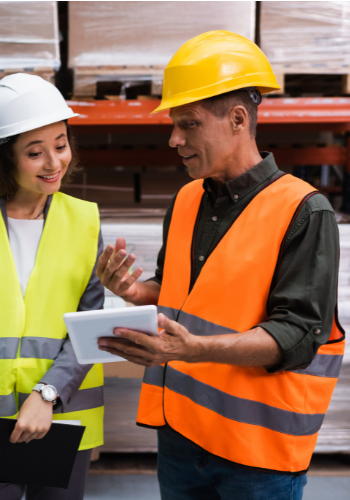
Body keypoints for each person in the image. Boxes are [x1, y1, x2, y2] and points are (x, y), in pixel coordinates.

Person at [96, 31, 345, 500]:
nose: (174, 139)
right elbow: (179, 290)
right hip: (180, 438)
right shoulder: (189, 198)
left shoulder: (304, 211)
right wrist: (133, 292)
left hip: (258, 457)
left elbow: (298, 335)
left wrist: (193, 350)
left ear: (237, 119)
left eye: (188, 124)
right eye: (173, 124)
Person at [0, 73, 105, 500]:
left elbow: (90, 325)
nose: (54, 163)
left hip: (62, 414)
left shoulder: (85, 221)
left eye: (61, 145)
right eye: (34, 152)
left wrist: (48, 394)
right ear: (5, 157)